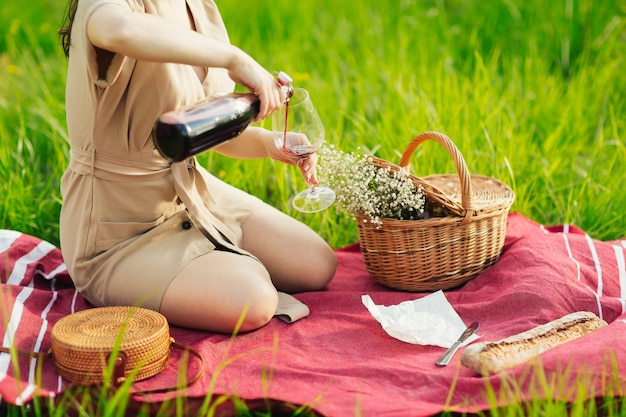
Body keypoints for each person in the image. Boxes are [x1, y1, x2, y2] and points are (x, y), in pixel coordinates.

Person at [57, 0, 337, 334]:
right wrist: (234, 57)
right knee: (254, 298)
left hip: (191, 195)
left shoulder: (198, 6)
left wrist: (267, 144)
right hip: (116, 230)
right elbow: (117, 28)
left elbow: (198, 128)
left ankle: (218, 264)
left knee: (317, 263)